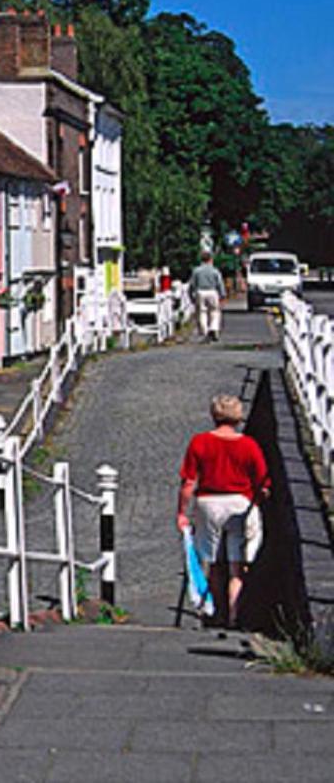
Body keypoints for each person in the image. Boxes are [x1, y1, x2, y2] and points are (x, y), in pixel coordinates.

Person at [176, 394, 270, 629]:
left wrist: (182, 513)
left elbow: (188, 482)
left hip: (208, 503)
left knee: (214, 563)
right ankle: (234, 615)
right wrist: (258, 500)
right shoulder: (249, 445)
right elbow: (263, 482)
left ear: (214, 415)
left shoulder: (199, 442)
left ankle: (216, 612)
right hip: (239, 502)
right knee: (236, 566)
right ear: (238, 416)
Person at [188, 251, 226, 342]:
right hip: (212, 292)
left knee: (202, 312)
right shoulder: (215, 271)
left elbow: (192, 284)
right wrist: (222, 295)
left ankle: (205, 332)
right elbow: (220, 283)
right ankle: (213, 329)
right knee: (215, 312)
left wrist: (191, 295)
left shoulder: (196, 270)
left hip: (200, 292)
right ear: (210, 259)